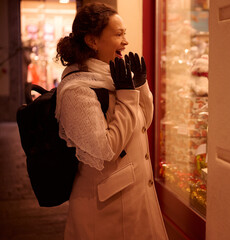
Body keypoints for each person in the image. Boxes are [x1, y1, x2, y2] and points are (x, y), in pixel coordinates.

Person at [55, 3, 168, 240]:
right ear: (92, 41)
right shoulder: (77, 90)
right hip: (108, 209)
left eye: (125, 33)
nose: (125, 41)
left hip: (135, 197)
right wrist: (127, 95)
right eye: (118, 34)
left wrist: (140, 85)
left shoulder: (113, 76)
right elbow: (106, 149)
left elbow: (143, 123)